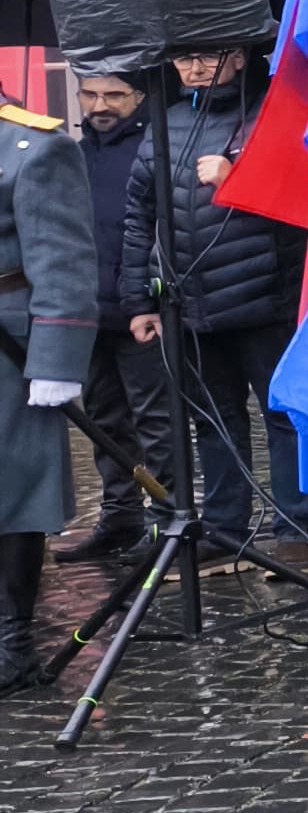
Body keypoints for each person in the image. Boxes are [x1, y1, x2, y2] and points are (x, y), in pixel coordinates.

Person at [121, 47, 308, 560]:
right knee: (214, 419)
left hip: (263, 298)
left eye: (207, 57)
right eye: (184, 60)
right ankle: (226, 530)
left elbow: (305, 195)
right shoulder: (168, 123)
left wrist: (238, 179)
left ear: (242, 58)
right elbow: (140, 217)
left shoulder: (274, 114)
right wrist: (139, 300)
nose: (195, 69)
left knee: (283, 416)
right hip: (190, 305)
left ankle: (295, 532)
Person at [0, 85, 93, 690]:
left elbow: (63, 259)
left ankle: (11, 645)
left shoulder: (34, 147)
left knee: (11, 494)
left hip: (6, 348)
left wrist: (56, 361)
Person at [60, 76, 165, 562]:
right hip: (87, 311)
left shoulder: (155, 146)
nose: (100, 105)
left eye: (114, 95)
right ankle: (120, 517)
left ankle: (170, 520)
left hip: (141, 309)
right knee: (103, 420)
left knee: (156, 421)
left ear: (139, 98)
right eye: (90, 94)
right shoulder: (71, 154)